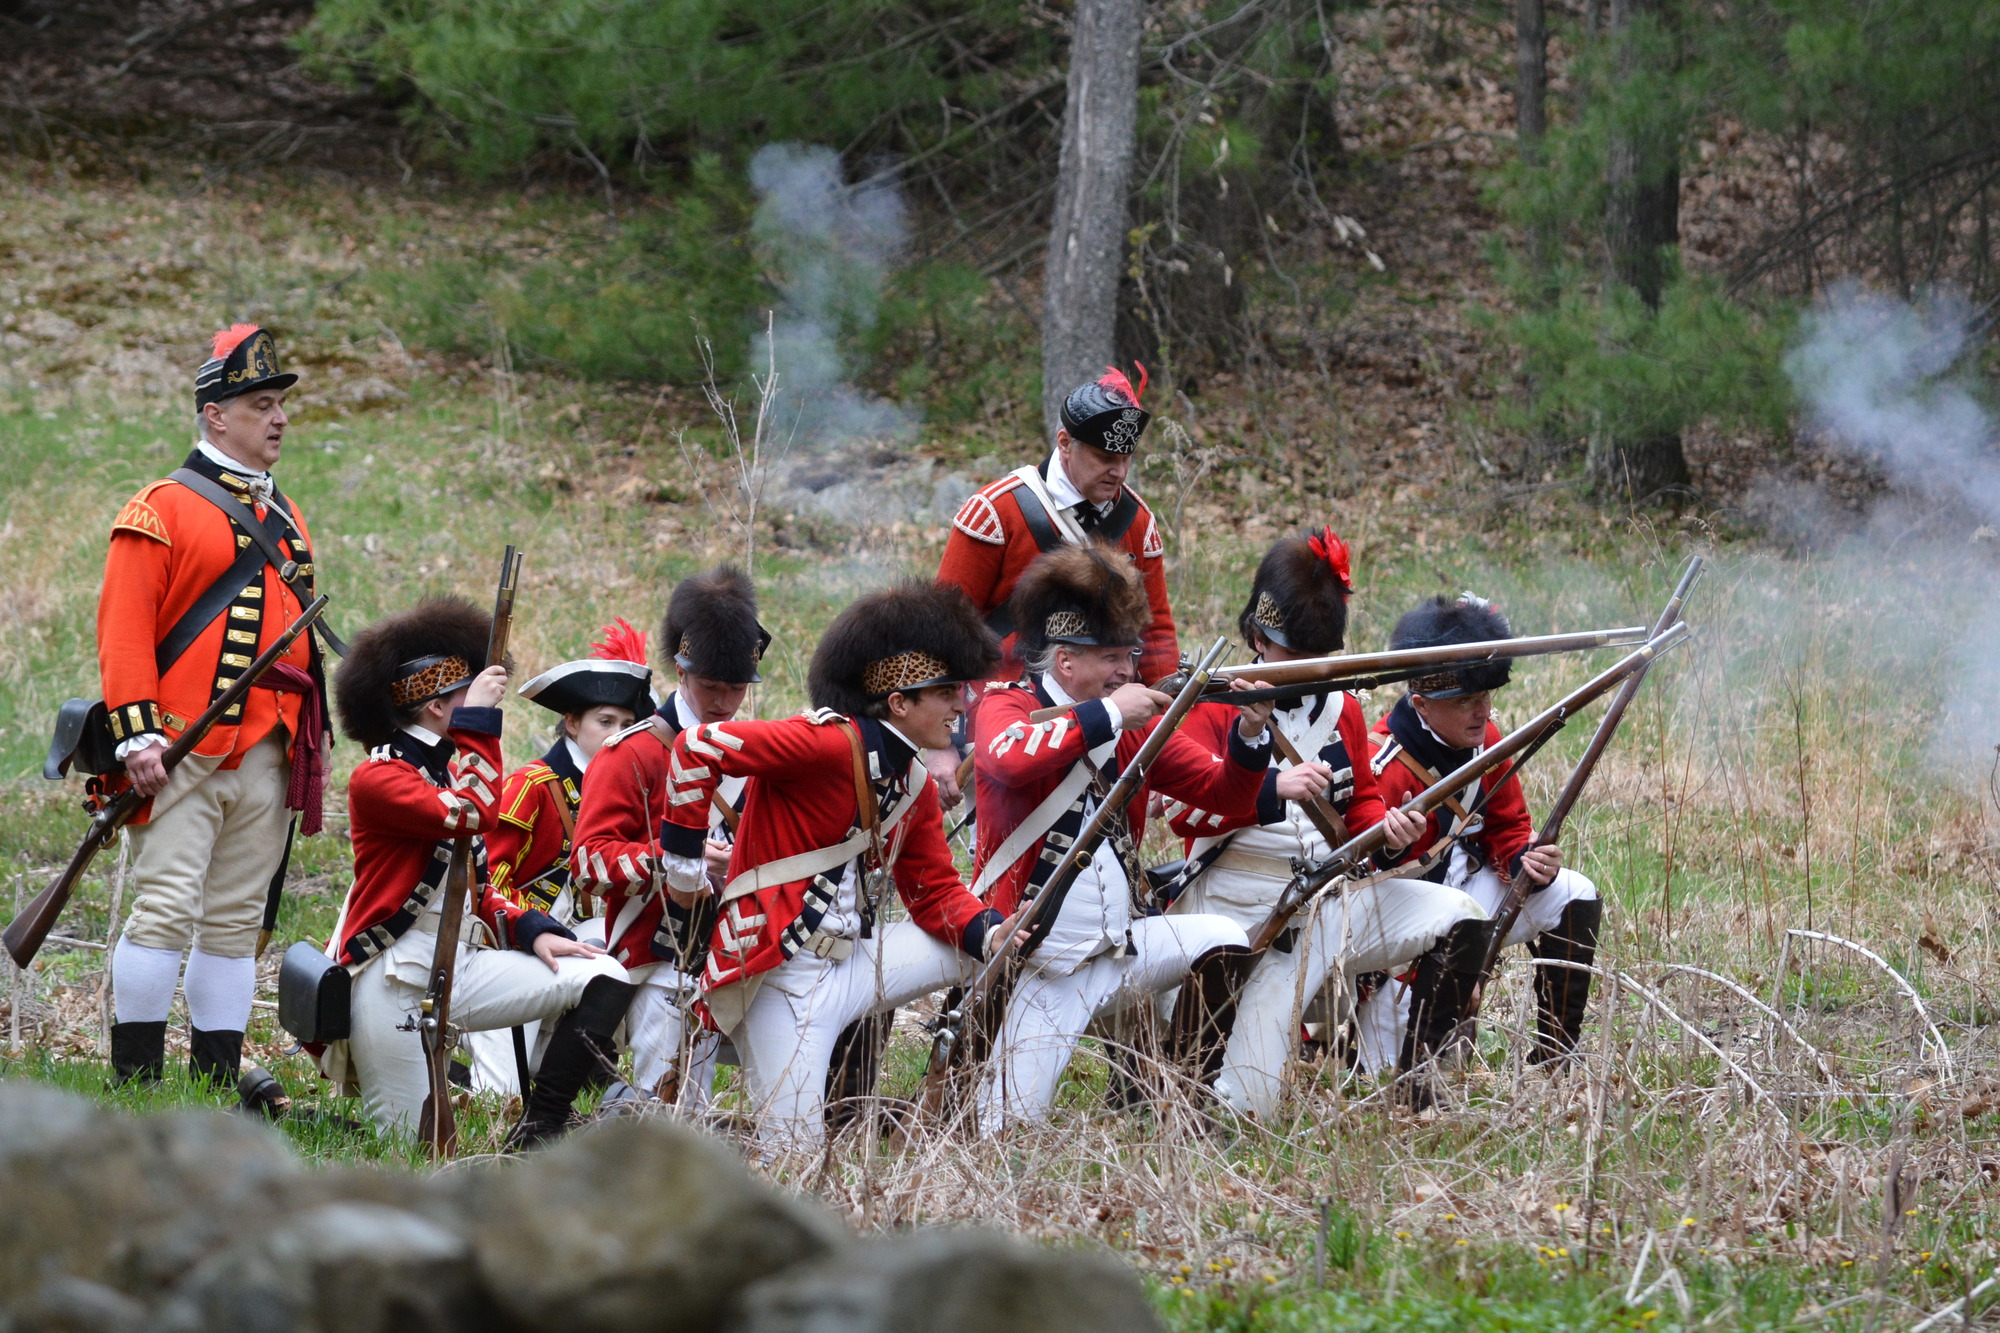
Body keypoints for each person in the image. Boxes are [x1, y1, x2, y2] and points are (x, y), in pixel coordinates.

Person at [656, 582, 1011, 1148]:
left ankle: (959, 1106)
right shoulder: (821, 744)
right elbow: (697, 749)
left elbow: (935, 893)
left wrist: (993, 933)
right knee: (793, 1155)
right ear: (900, 701)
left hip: (853, 965)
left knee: (994, 954)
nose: (961, 706)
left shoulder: (911, 780)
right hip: (783, 974)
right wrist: (682, 871)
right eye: (946, 692)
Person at [1160, 529, 1489, 1119]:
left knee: (1461, 917)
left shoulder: (1346, 710)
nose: (1315, 668)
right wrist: (1267, 781)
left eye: (1323, 653)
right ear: (1259, 638)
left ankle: (1418, 1081)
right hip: (1232, 911)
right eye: (1298, 653)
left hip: (1324, 904)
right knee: (1246, 1110)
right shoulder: (1213, 704)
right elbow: (1184, 810)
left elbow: (1359, 799)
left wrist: (1383, 825)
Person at [98, 325, 333, 1098]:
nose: (279, 418)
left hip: (270, 747)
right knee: (164, 907)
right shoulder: (161, 507)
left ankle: (210, 1086)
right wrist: (137, 735)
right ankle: (136, 1087)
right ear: (215, 416)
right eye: (260, 404)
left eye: (280, 405)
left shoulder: (287, 513)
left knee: (233, 923)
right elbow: (124, 631)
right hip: (181, 747)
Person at [967, 542, 1273, 1131]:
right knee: (1002, 1131)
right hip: (1042, 962)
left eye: (1128, 655)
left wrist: (1251, 735)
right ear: (1063, 662)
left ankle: (1177, 1101)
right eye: (1111, 657)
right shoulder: (1009, 703)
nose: (1127, 672)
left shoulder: (1132, 722)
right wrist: (1108, 715)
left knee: (1224, 939)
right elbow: (1006, 759)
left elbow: (1224, 794)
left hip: (1122, 947)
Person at [325, 597, 632, 1144]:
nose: (481, 705)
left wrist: (529, 928)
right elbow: (474, 814)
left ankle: (539, 1131)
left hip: (462, 967)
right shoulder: (379, 778)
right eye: (466, 697)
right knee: (414, 1149)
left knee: (605, 976)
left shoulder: (448, 770)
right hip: (398, 980)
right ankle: (284, 1115)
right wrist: (482, 725)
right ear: (438, 708)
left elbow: (480, 888)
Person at [1360, 594, 1602, 1090]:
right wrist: (1387, 844)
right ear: (1421, 704)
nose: (1483, 712)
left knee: (1575, 894)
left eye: (1485, 697)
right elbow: (1363, 884)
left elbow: (1509, 830)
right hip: (1395, 943)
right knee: (1383, 1077)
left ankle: (1554, 1062)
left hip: (1468, 900)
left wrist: (1529, 863)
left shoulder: (1487, 741)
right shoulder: (1382, 764)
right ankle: (1415, 1087)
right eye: (1466, 701)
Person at [931, 367, 1179, 805]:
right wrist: (938, 741)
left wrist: (1166, 747)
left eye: (1126, 459)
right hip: (1008, 725)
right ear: (1065, 443)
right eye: (1105, 457)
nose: (1119, 471)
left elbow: (1155, 638)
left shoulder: (1138, 523)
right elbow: (940, 634)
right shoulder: (995, 512)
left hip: (1111, 721)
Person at [568, 567, 767, 1109]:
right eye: (711, 686)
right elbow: (588, 862)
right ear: (681, 671)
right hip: (659, 954)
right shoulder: (630, 752)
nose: (725, 701)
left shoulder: (757, 749)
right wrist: (675, 857)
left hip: (745, 946)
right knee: (672, 1113)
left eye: (736, 688)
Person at [464, 619, 653, 1095]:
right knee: (501, 1094)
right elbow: (490, 882)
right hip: (513, 943)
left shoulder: (628, 787)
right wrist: (536, 930)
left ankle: (588, 1055)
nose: (616, 735)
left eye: (627, 725)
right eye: (604, 722)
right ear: (571, 722)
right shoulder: (532, 787)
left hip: (581, 937)